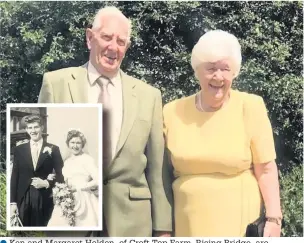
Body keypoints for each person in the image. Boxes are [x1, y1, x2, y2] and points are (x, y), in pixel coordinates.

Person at [38, 6, 172, 236]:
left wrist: (163, 229)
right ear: (90, 38)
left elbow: (157, 170)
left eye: (121, 41)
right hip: (73, 216)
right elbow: (44, 154)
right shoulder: (56, 83)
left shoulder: (149, 96)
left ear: (127, 48)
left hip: (132, 224)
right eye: (107, 37)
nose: (113, 47)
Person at [163, 30, 282, 237]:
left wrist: (274, 218)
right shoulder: (171, 111)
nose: (218, 76)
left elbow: (266, 169)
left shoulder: (251, 106)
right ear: (197, 71)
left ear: (234, 72)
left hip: (240, 223)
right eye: (210, 69)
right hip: (187, 225)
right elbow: (160, 175)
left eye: (225, 69)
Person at [10, 115, 64, 226]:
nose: (33, 131)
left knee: (42, 230)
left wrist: (46, 183)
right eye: (30, 128)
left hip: (44, 197)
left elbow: (61, 175)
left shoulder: (53, 149)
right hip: (23, 197)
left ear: (42, 128)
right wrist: (13, 202)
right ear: (26, 130)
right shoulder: (19, 150)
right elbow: (15, 176)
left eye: (36, 127)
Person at [48, 130, 99, 227]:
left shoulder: (87, 159)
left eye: (78, 143)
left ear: (82, 144)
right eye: (72, 142)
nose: (75, 146)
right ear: (68, 144)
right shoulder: (67, 161)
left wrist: (79, 187)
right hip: (67, 198)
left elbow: (98, 180)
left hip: (84, 198)